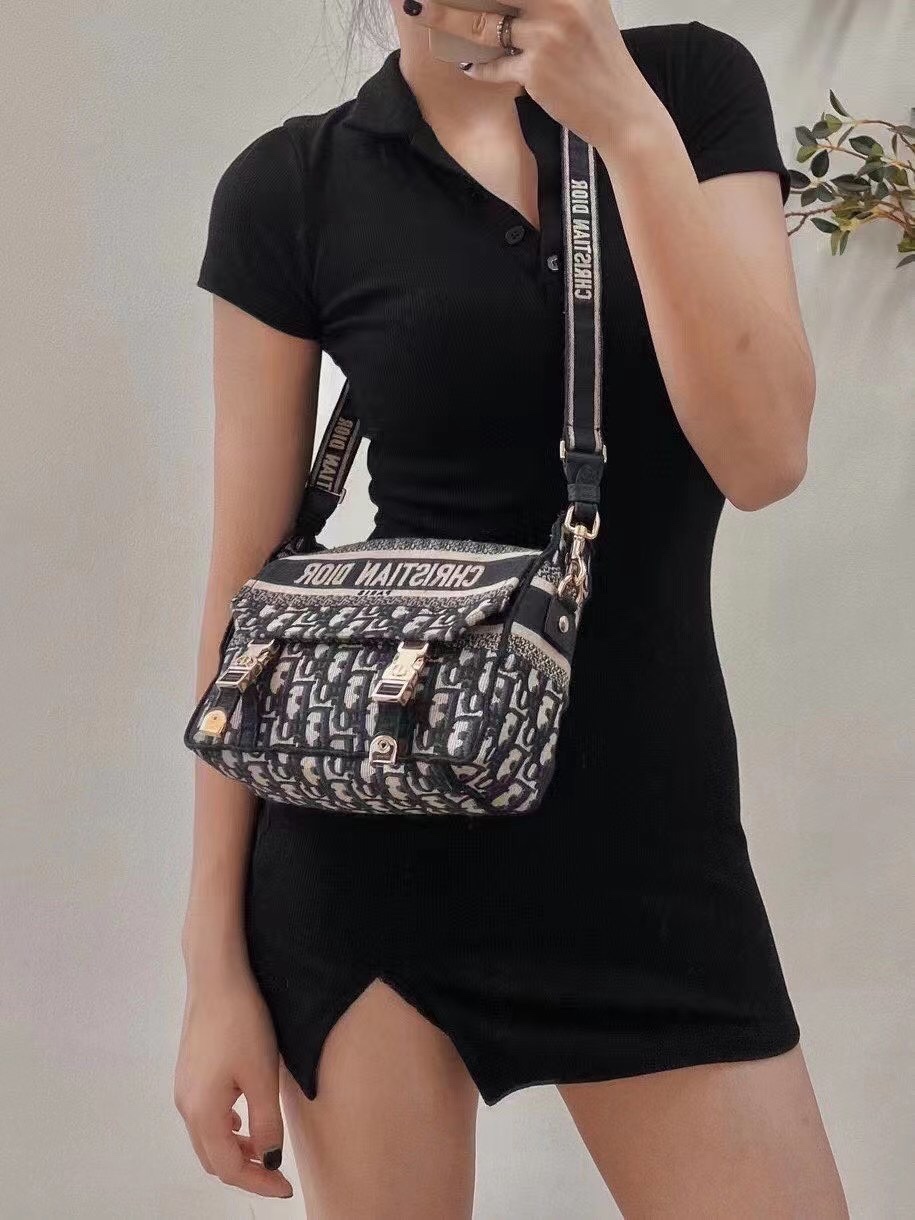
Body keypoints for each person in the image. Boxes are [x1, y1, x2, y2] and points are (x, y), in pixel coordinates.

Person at [174, 2, 849, 1214]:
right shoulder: (294, 183)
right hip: (368, 847)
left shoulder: (688, 88)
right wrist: (212, 965)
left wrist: (624, 121)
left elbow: (764, 456)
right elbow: (245, 593)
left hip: (649, 855)